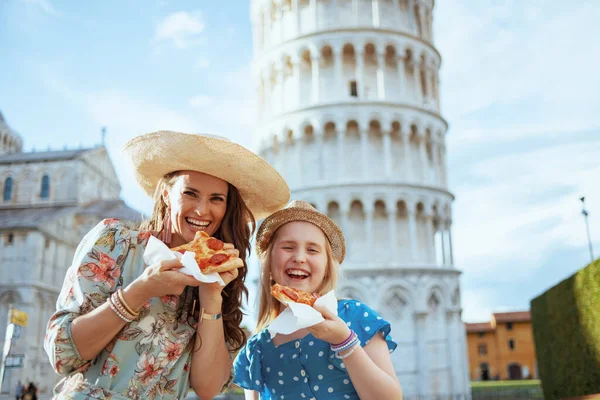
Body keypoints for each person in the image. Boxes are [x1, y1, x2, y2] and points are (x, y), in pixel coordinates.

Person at [44, 131, 290, 400]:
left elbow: (207, 388)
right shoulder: (115, 242)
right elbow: (62, 356)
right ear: (165, 194)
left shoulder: (217, 275)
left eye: (216, 199)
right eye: (190, 193)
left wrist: (211, 297)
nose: (201, 210)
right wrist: (141, 290)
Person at [233, 200, 403, 399]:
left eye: (312, 250)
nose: (300, 257)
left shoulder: (355, 317)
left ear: (326, 269)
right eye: (288, 247)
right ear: (269, 264)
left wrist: (344, 341)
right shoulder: (256, 350)